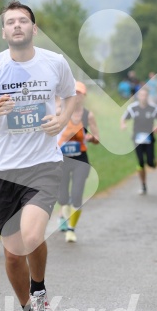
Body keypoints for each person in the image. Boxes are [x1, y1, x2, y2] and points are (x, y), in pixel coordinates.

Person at [0, 1, 76, 311]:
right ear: (3, 31)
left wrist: (62, 121)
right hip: (3, 169)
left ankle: (40, 287)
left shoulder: (54, 63)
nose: (17, 26)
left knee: (29, 236)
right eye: (10, 22)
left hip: (44, 164)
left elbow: (71, 97)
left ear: (34, 29)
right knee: (13, 253)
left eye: (23, 21)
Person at [57, 81, 100, 243]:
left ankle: (71, 229)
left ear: (83, 96)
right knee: (62, 198)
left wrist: (91, 138)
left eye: (79, 93)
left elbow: (97, 138)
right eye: (73, 93)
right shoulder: (60, 112)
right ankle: (65, 214)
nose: (76, 96)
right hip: (62, 159)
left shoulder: (88, 115)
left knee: (77, 195)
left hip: (81, 159)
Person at [121, 88, 157, 195]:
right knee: (140, 162)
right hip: (137, 139)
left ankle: (153, 161)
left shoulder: (153, 108)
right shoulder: (133, 107)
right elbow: (123, 118)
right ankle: (143, 185)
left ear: (147, 96)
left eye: (145, 95)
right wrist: (123, 124)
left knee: (150, 163)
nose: (143, 97)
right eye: (141, 95)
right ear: (138, 96)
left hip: (149, 138)